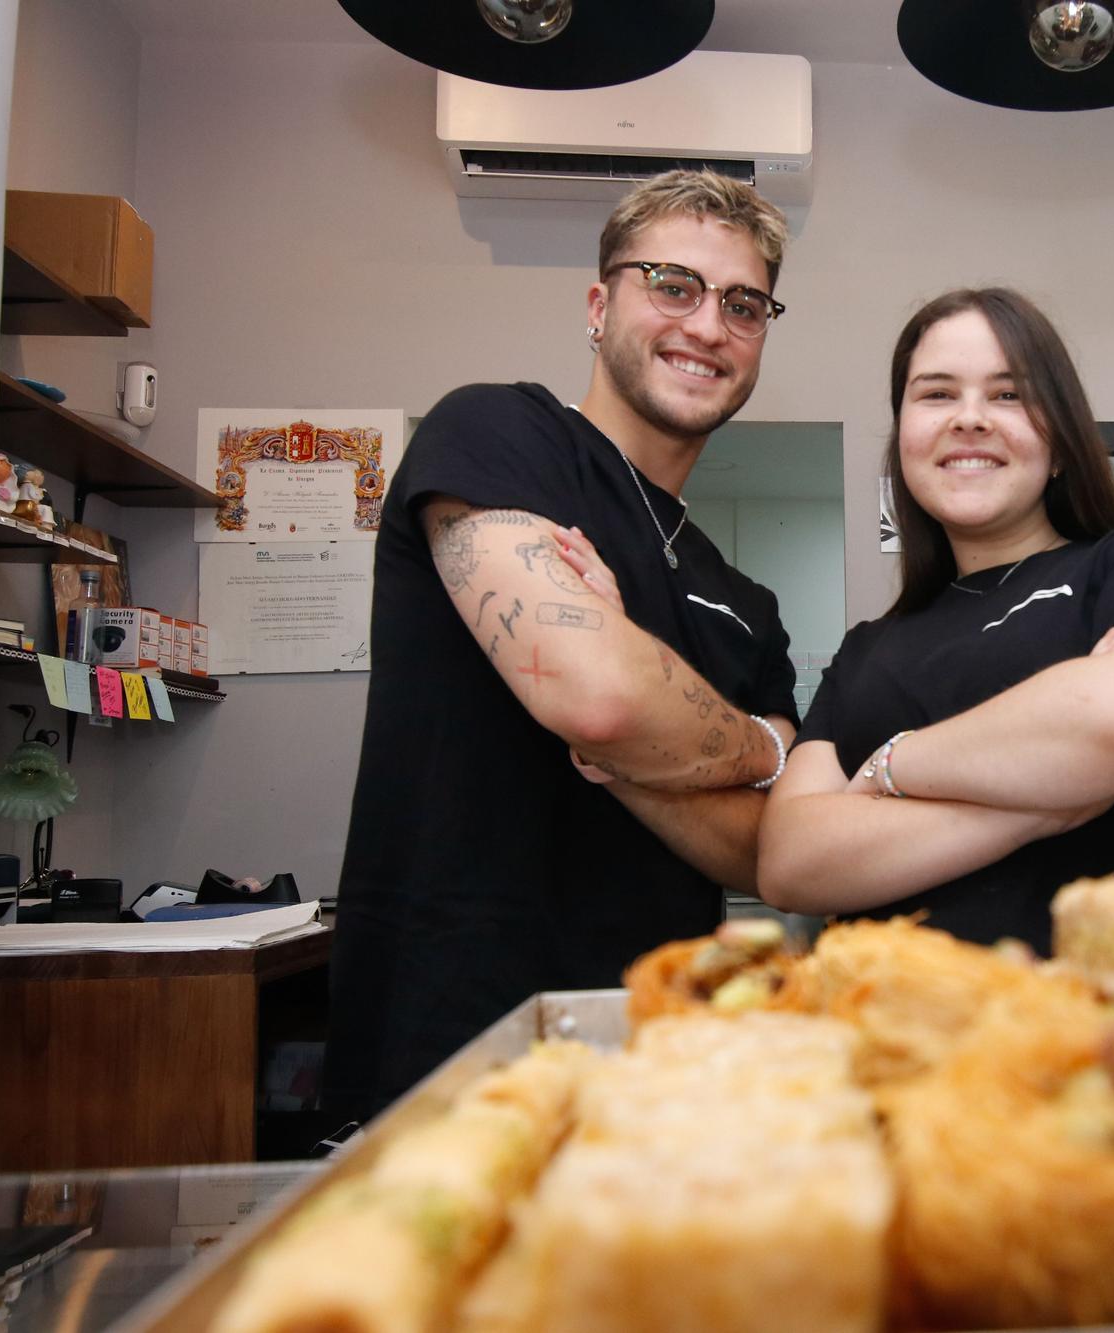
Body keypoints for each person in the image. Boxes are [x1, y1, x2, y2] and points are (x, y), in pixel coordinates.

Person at [325, 171, 801, 1119]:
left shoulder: (747, 603)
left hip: (652, 1072)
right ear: (599, 303)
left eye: (743, 304)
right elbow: (598, 699)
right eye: (673, 284)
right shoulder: (501, 435)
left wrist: (626, 755)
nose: (708, 325)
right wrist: (758, 744)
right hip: (453, 1063)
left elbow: (764, 851)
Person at [754, 288, 1114, 952]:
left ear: (1060, 440)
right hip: (900, 1040)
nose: (970, 419)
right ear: (903, 437)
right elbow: (790, 862)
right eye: (936, 394)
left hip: (1111, 1039)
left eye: (1008, 394)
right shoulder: (865, 651)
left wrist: (890, 767)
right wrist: (1044, 804)